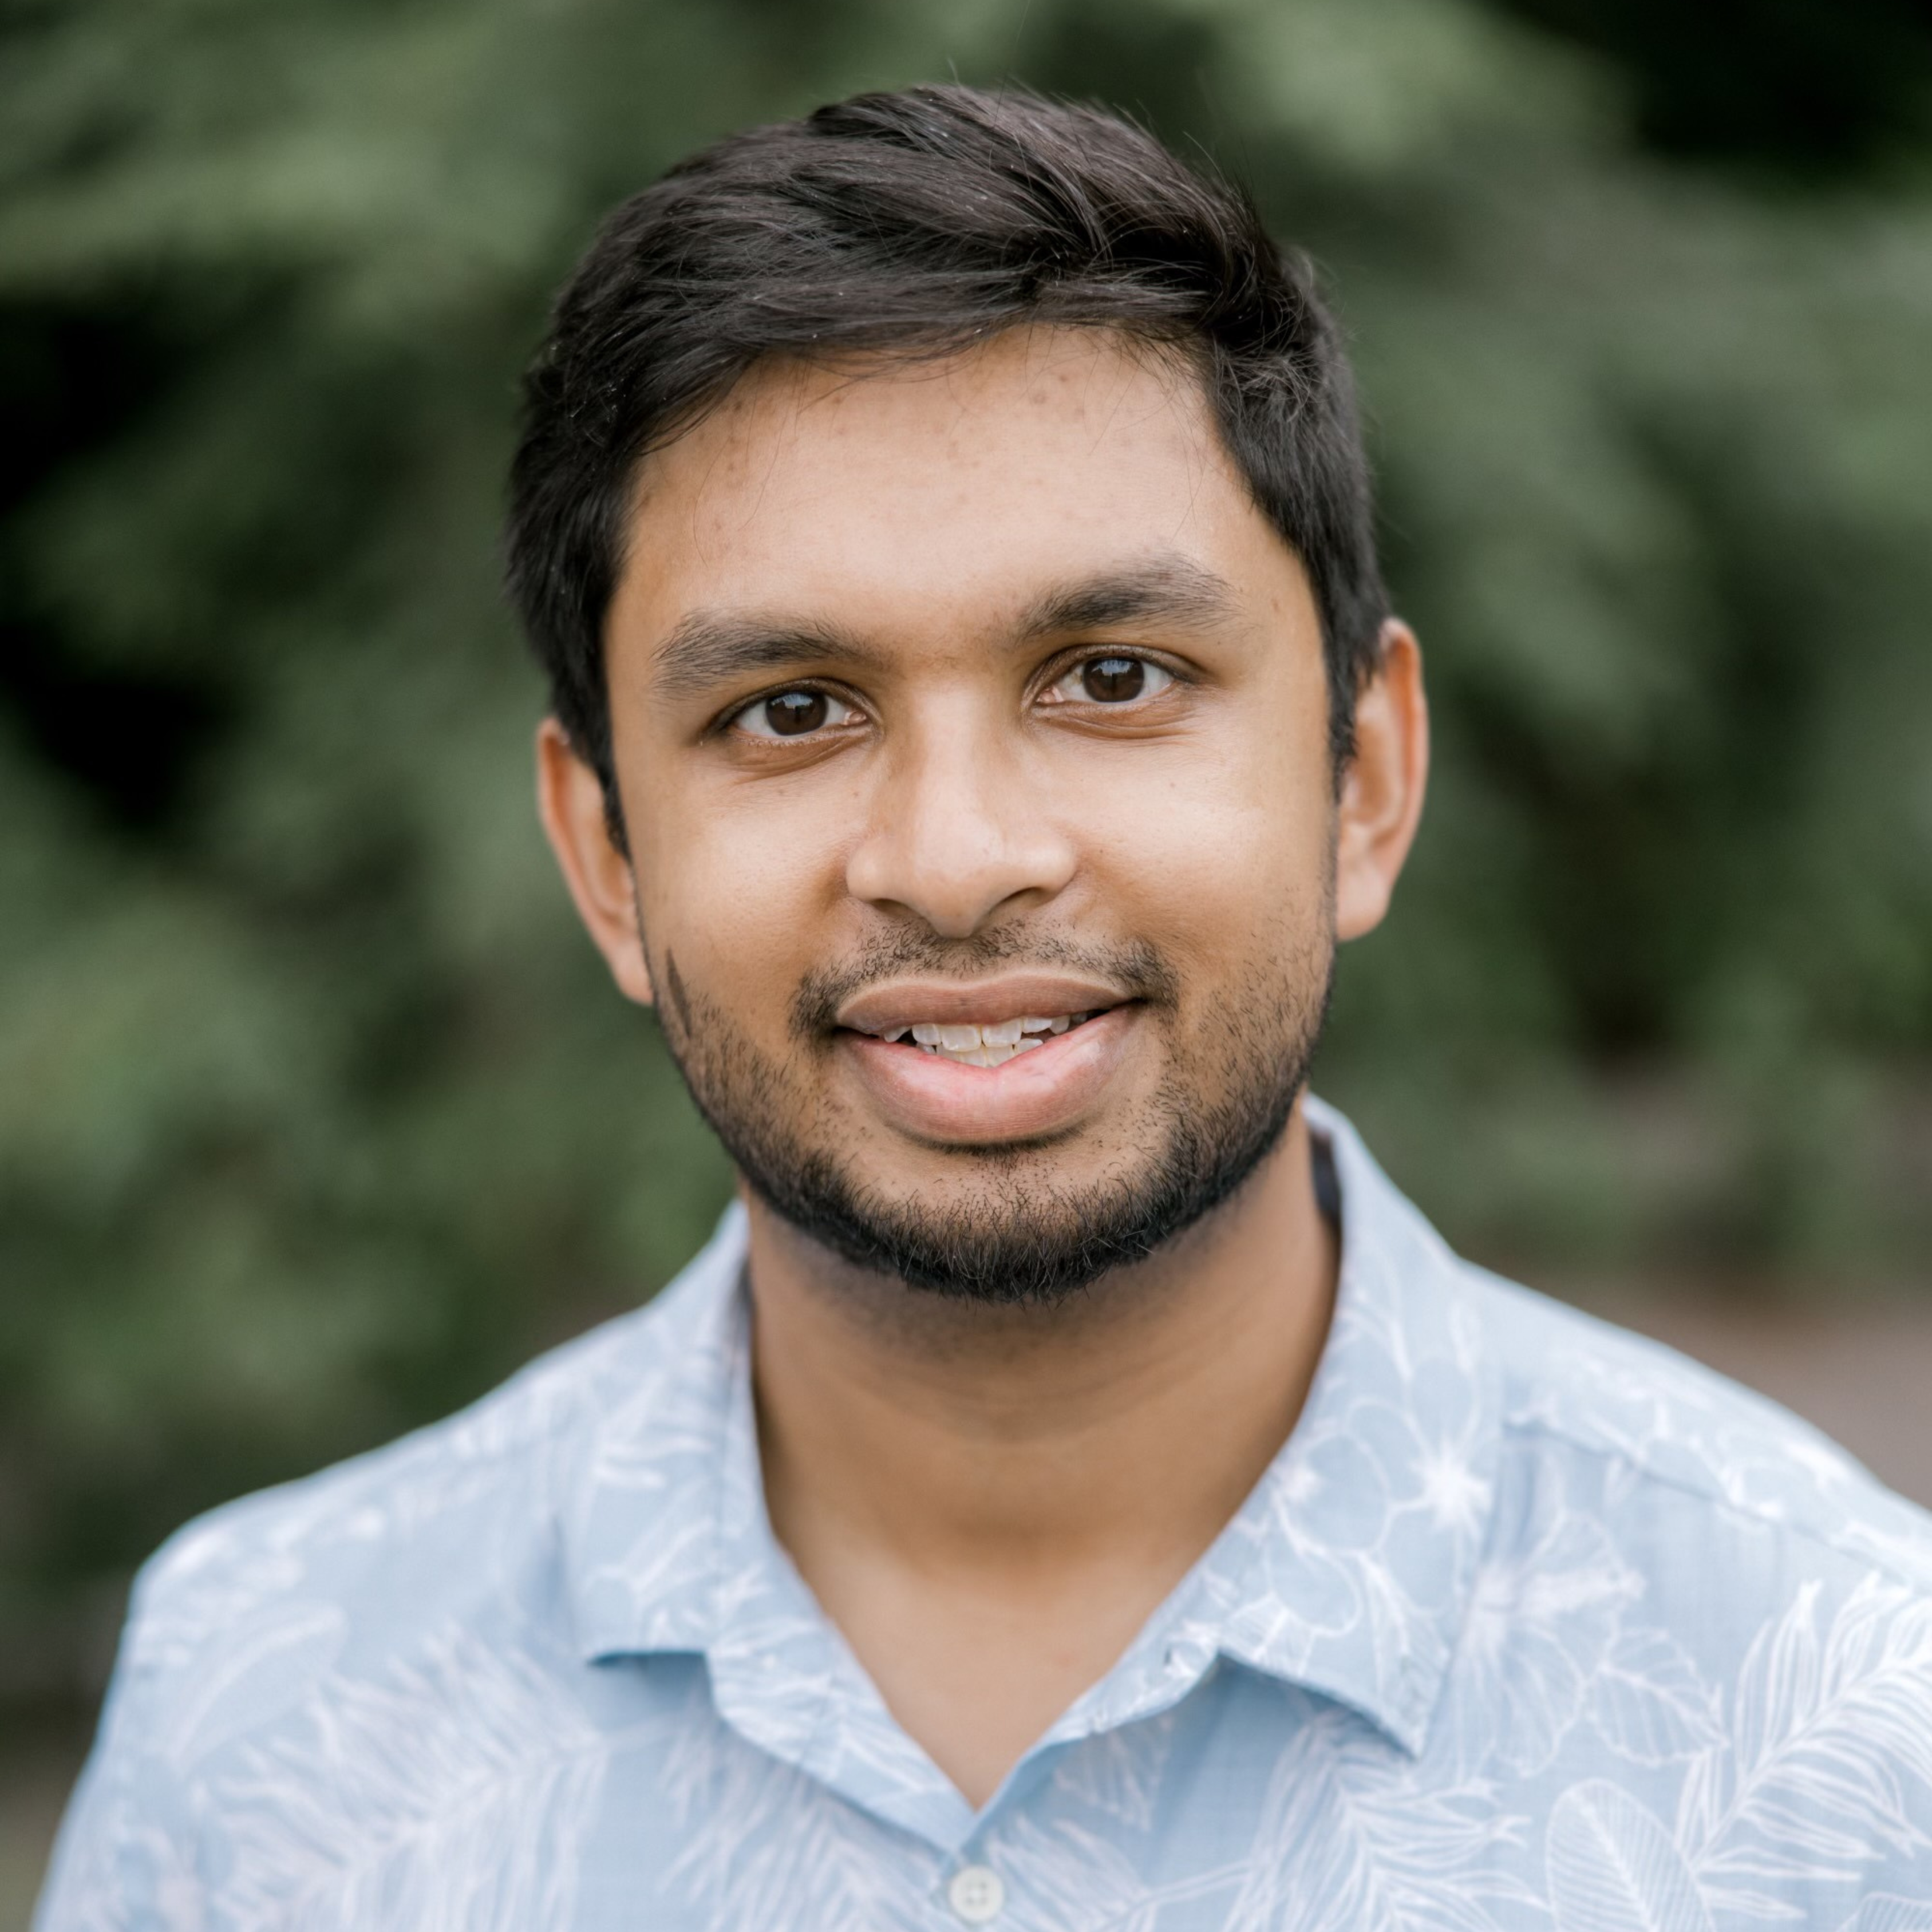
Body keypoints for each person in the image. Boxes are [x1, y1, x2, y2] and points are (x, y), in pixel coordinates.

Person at [36, 83, 1932, 1932]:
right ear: (607, 854)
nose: (952, 857)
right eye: (790, 710)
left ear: (1361, 779)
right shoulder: (268, 1711)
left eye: (1110, 674)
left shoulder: (1853, 1714)